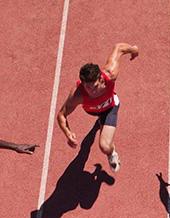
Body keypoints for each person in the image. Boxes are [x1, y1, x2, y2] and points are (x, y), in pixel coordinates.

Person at [57, 42, 139, 173]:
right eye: (87, 87)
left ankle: (112, 153)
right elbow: (61, 114)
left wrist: (134, 49)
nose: (92, 91)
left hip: (110, 108)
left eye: (94, 86)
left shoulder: (110, 75)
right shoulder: (77, 94)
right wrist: (68, 134)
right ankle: (100, 123)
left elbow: (119, 48)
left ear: (100, 79)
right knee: (96, 127)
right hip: (92, 111)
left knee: (104, 147)